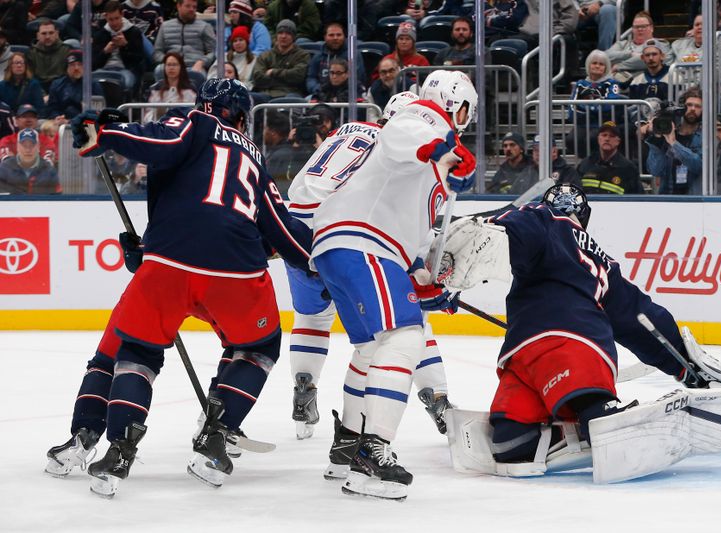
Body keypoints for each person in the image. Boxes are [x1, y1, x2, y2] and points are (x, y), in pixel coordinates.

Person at [68, 78, 313, 497]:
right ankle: (216, 436)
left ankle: (119, 451)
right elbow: (279, 230)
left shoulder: (192, 121)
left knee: (138, 352)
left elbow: (162, 143)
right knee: (257, 347)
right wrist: (316, 261)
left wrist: (106, 134)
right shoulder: (254, 158)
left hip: (168, 266)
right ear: (242, 116)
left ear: (204, 105)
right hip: (235, 271)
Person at [439, 184, 721, 481]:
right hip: (573, 341)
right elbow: (640, 319)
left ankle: (530, 434)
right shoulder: (603, 263)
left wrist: (448, 246)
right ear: (584, 217)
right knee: (597, 411)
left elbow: (507, 234)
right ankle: (598, 418)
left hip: (522, 353)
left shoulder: (540, 218)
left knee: (511, 442)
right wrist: (686, 368)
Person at [310, 70, 477, 500]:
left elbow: (413, 238)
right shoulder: (424, 117)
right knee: (405, 336)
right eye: (464, 110)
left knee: (371, 349)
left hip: (347, 245)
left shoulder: (431, 166)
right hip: (363, 240)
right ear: (454, 101)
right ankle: (374, 451)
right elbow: (400, 133)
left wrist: (424, 281)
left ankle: (346, 447)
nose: (464, 119)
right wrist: (441, 148)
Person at [285, 91, 454, 447]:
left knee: (312, 317)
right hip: (349, 237)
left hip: (297, 228)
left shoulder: (346, 130)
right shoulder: (395, 154)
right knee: (405, 324)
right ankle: (436, 398)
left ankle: (304, 385)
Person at [643, 86, 703, 195]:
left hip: (695, 200)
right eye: (689, 105)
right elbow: (655, 170)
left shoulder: (705, 138)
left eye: (698, 106)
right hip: (667, 198)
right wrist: (656, 138)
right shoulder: (666, 133)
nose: (693, 109)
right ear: (682, 107)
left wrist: (674, 143)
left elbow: (699, 166)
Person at [566, 49, 624, 158]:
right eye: (594, 63)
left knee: (592, 139)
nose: (597, 66)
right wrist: (596, 106)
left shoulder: (611, 83)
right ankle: (587, 163)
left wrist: (585, 106)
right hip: (583, 123)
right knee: (571, 140)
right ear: (589, 65)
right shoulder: (580, 84)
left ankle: (597, 163)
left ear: (606, 67)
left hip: (603, 124)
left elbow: (609, 105)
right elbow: (572, 109)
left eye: (601, 64)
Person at [92, 1, 146, 93]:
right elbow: (93, 63)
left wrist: (125, 46)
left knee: (128, 83)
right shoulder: (100, 34)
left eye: (117, 18)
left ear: (122, 14)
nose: (114, 22)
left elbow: (138, 61)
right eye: (111, 19)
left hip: (125, 70)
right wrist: (105, 51)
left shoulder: (133, 32)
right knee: (90, 81)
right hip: (103, 69)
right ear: (105, 17)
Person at [607, 11, 674, 85]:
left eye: (643, 26)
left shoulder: (661, 44)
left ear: (651, 28)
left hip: (645, 85)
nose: (640, 29)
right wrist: (630, 54)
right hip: (618, 86)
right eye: (636, 27)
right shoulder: (622, 44)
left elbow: (646, 60)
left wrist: (618, 66)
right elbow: (605, 56)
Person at [577, 121, 643, 194]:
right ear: (598, 139)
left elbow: (638, 199)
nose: (607, 139)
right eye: (604, 135)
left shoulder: (628, 169)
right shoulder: (585, 164)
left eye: (612, 136)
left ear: (618, 141)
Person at [251, 19, 310, 100]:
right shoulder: (265, 55)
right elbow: (257, 77)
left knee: (291, 100)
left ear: (293, 36)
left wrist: (273, 72)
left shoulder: (302, 55)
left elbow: (298, 76)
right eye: (280, 33)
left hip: (289, 94)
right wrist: (284, 80)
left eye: (288, 33)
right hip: (266, 93)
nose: (283, 36)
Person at [152, 0, 216, 73]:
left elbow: (212, 52)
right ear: (178, 6)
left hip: (194, 66)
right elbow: (157, 51)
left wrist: (202, 62)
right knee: (159, 70)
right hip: (170, 65)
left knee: (198, 74)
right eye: (188, 6)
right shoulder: (165, 26)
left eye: (194, 7)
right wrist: (167, 60)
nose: (191, 9)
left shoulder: (205, 26)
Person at [306, 21, 366, 97]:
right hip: (322, 93)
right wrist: (318, 89)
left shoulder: (353, 55)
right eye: (331, 35)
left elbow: (357, 78)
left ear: (344, 36)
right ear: (325, 37)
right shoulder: (318, 56)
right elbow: (311, 78)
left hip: (347, 94)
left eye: (339, 35)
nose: (335, 38)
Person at [45, 51, 104, 124]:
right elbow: (52, 109)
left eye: (80, 64)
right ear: (67, 67)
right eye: (72, 65)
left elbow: (97, 113)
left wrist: (70, 121)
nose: (76, 68)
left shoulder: (93, 85)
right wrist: (57, 117)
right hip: (61, 124)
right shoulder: (57, 84)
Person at [0, 128, 61, 194]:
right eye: (24, 146)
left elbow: (57, 198)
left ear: (38, 147)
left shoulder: (49, 169)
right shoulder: (5, 168)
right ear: (17, 147)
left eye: (32, 145)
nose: (28, 150)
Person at [143, 52, 197, 122]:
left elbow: (196, 115)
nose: (171, 68)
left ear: (181, 67)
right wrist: (156, 113)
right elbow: (145, 117)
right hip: (159, 128)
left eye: (174, 65)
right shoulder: (155, 89)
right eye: (168, 65)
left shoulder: (190, 90)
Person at [25, 19, 71, 92]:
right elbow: (30, 78)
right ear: (38, 36)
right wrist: (42, 94)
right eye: (44, 33)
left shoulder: (67, 51)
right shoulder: (31, 53)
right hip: (38, 90)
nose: (47, 37)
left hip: (61, 90)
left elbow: (69, 78)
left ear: (57, 34)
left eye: (51, 33)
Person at [365, 57, 401, 122]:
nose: (388, 75)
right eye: (383, 72)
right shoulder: (373, 90)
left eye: (391, 71)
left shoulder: (411, 86)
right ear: (379, 74)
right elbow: (371, 116)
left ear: (398, 70)